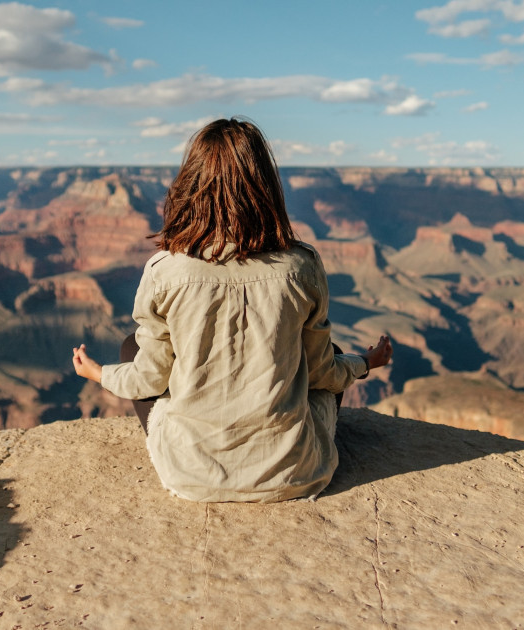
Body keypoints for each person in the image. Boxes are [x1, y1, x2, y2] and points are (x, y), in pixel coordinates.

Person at [72, 117, 392, 503]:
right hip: (294, 474)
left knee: (131, 349)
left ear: (190, 186)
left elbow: (149, 381)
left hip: (190, 477)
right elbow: (323, 373)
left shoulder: (164, 270)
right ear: (266, 186)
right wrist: (364, 362)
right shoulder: (301, 266)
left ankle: (199, 455)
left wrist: (98, 374)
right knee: (334, 354)